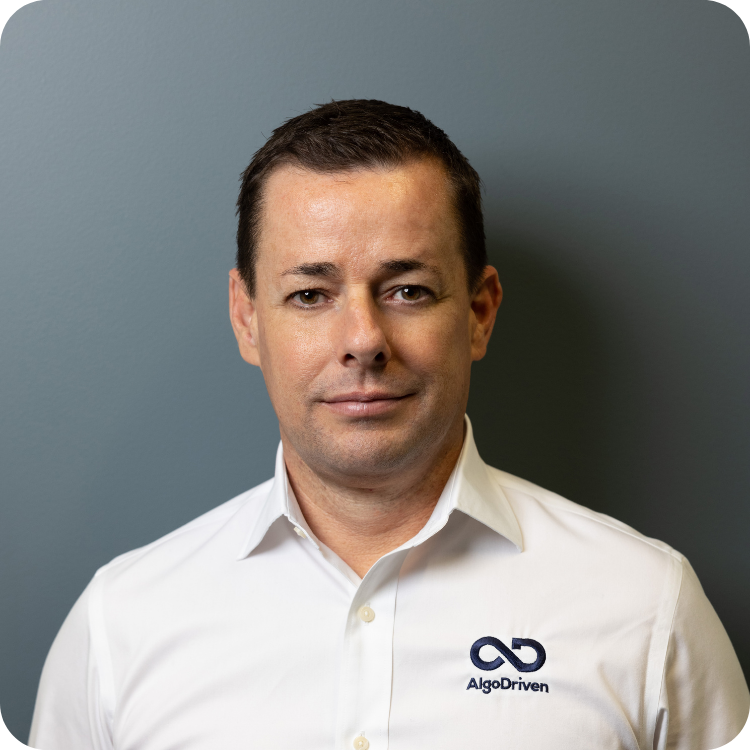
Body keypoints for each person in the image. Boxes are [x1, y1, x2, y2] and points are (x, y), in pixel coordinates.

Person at [29, 99, 748, 750]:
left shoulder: (646, 607)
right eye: (310, 295)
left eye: (408, 290)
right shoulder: (119, 627)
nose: (364, 340)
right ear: (247, 319)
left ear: (480, 312)